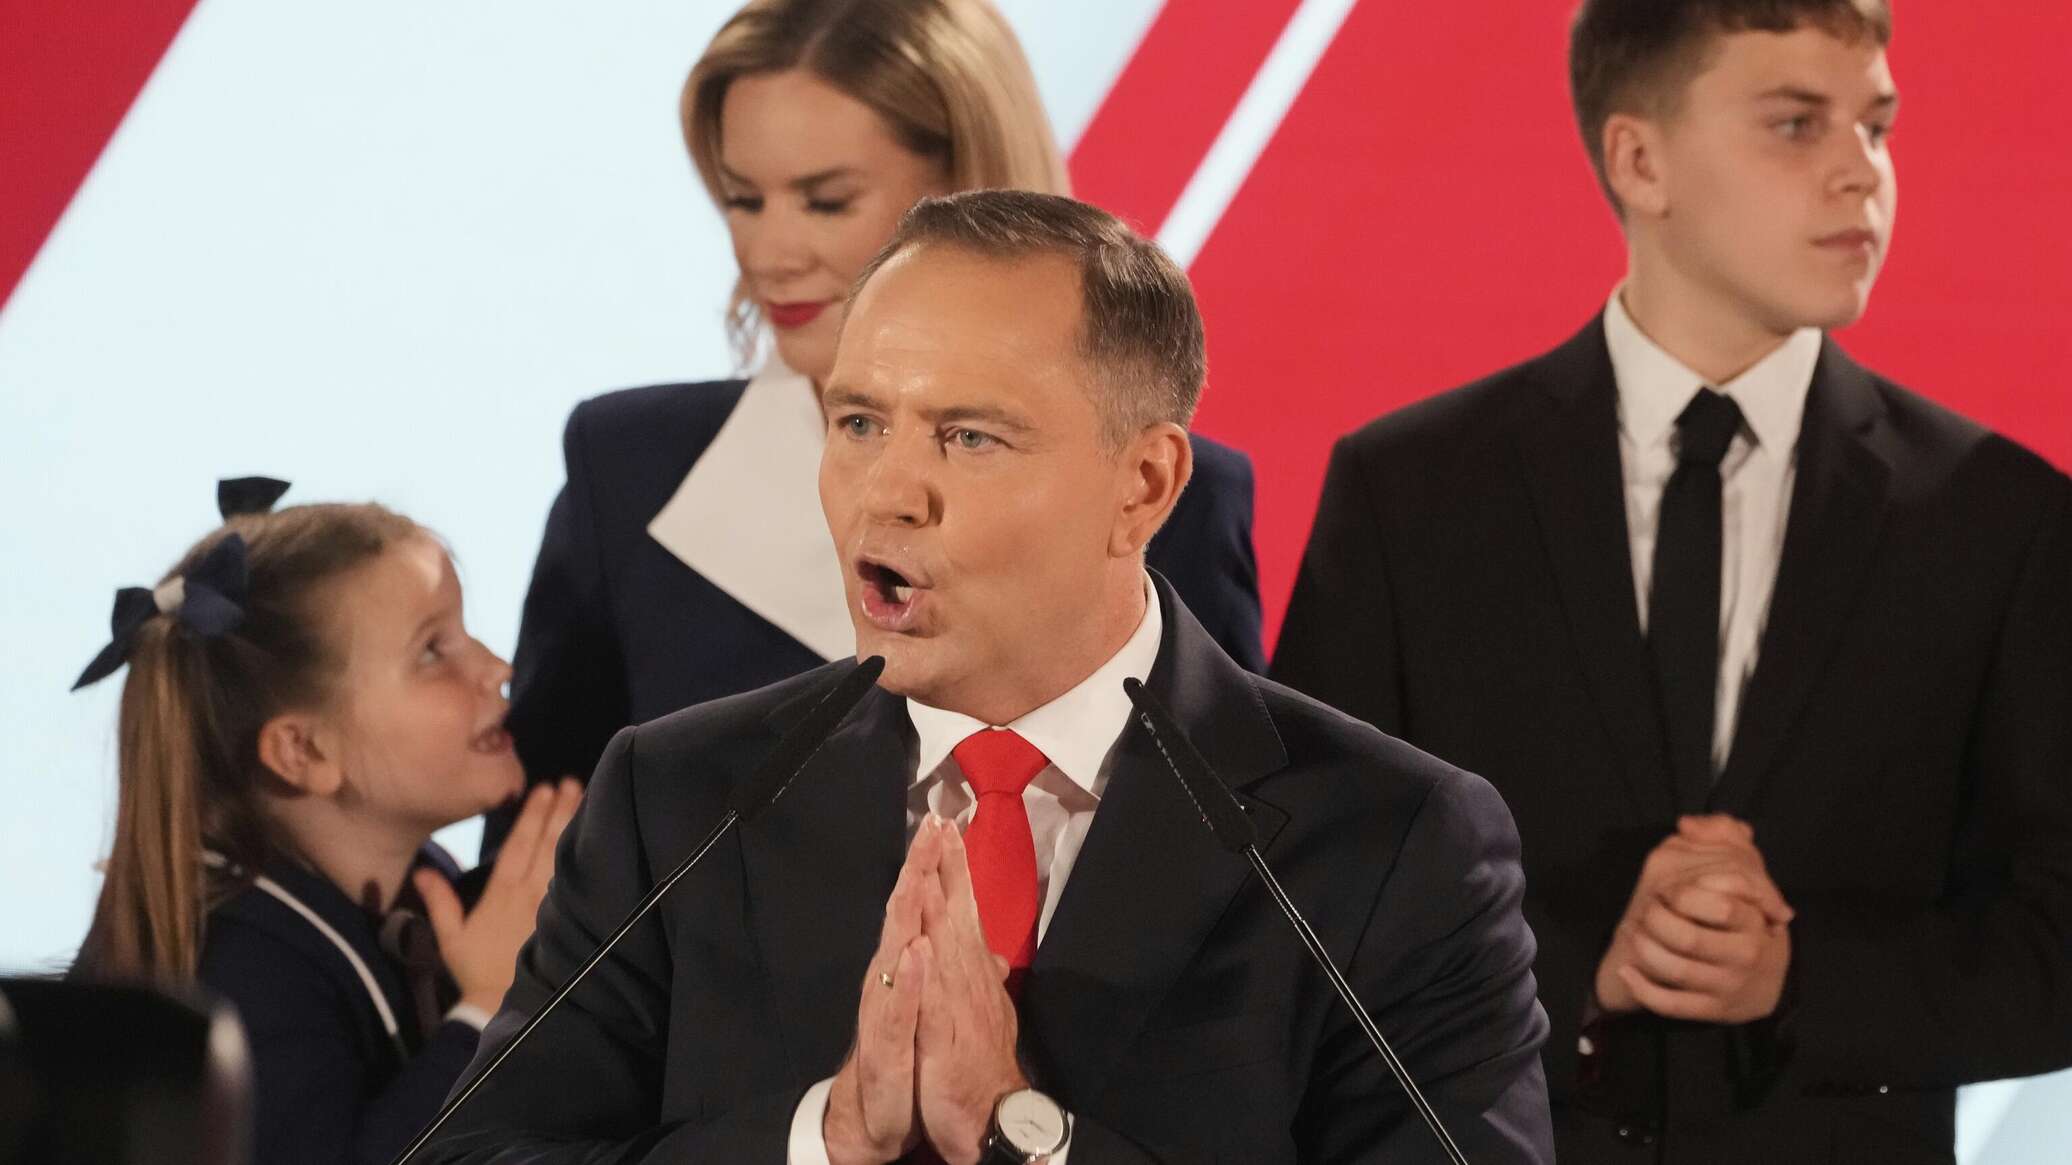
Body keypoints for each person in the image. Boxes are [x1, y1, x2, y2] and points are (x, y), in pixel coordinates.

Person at [420, 191, 1552, 1163]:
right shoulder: (678, 797)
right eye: (859, 421)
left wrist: (1026, 1136)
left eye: (968, 437)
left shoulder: (1392, 844)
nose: (887, 492)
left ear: (1143, 486)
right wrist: (826, 1138)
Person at [1271, 1, 2072, 1158]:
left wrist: (1795, 977)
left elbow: (2053, 940)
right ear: (1638, 160)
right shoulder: (1408, 491)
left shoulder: (1997, 515)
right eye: (1795, 123)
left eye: (1875, 126)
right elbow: (1303, 893)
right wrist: (1575, 973)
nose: (1860, 172)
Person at [493, 0, 1265, 857]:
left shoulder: (1171, 495)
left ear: (969, 189)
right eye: (744, 199)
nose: (769, 254)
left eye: (825, 201)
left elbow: (1247, 835)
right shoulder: (630, 469)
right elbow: (534, 850)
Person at [67, 480, 581, 1165]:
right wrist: (486, 1005)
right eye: (433, 652)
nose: (497, 668)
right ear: (303, 751)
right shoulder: (235, 974)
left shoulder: (416, 882)